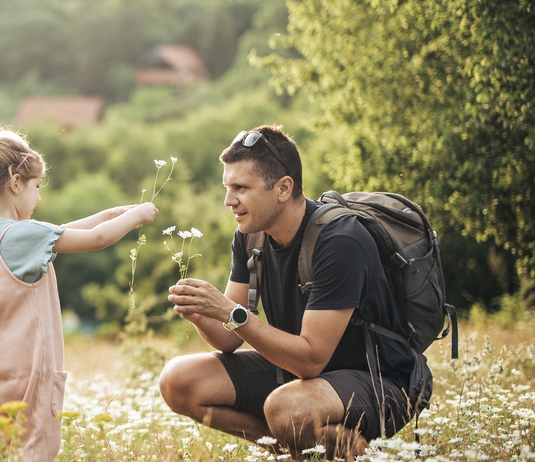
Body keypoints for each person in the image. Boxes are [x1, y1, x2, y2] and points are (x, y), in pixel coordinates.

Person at [159, 125, 425, 459]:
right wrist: (201, 313)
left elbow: (311, 360)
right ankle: (292, 452)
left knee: (287, 409)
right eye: (227, 187)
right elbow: (229, 339)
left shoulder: (339, 241)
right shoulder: (250, 236)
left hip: (380, 381)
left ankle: (361, 455)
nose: (229, 201)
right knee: (178, 381)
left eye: (240, 187)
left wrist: (230, 312)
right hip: (301, 377)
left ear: (283, 188)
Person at [0, 128, 158, 460]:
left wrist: (112, 214)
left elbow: (63, 231)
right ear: (16, 184)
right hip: (34, 374)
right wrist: (138, 215)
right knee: (37, 450)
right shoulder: (21, 236)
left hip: (4, 375)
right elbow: (97, 239)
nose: (39, 198)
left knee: (10, 450)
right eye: (36, 186)